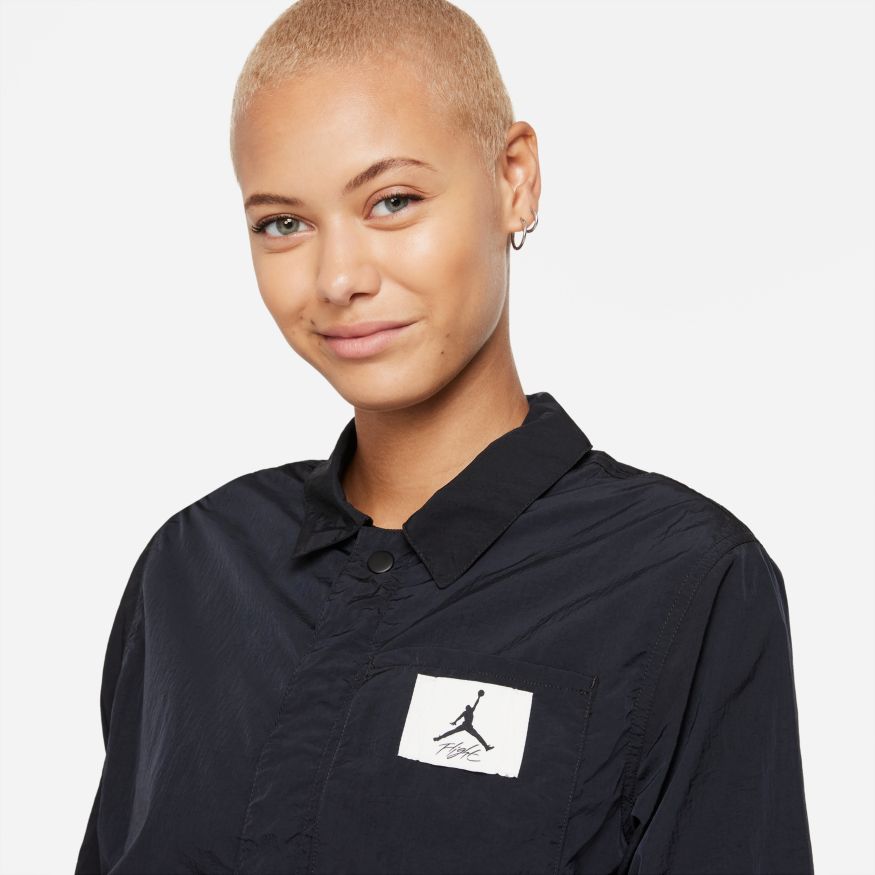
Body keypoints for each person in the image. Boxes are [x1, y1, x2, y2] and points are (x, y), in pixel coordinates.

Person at [75, 0, 815, 872]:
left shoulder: (684, 581)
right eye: (283, 223)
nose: (338, 278)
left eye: (392, 202)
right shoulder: (194, 567)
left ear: (514, 181)